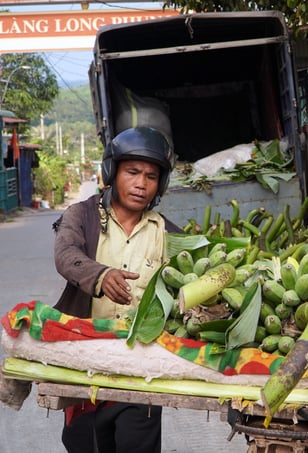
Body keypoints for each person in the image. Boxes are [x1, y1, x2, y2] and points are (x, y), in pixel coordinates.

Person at [52, 126, 183, 453]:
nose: (141, 184)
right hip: (85, 362)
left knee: (136, 444)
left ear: (160, 184)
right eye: (133, 172)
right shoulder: (80, 215)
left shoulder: (167, 232)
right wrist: (101, 275)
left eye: (152, 176)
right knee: (85, 444)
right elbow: (66, 255)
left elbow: (193, 274)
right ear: (112, 172)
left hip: (141, 367)